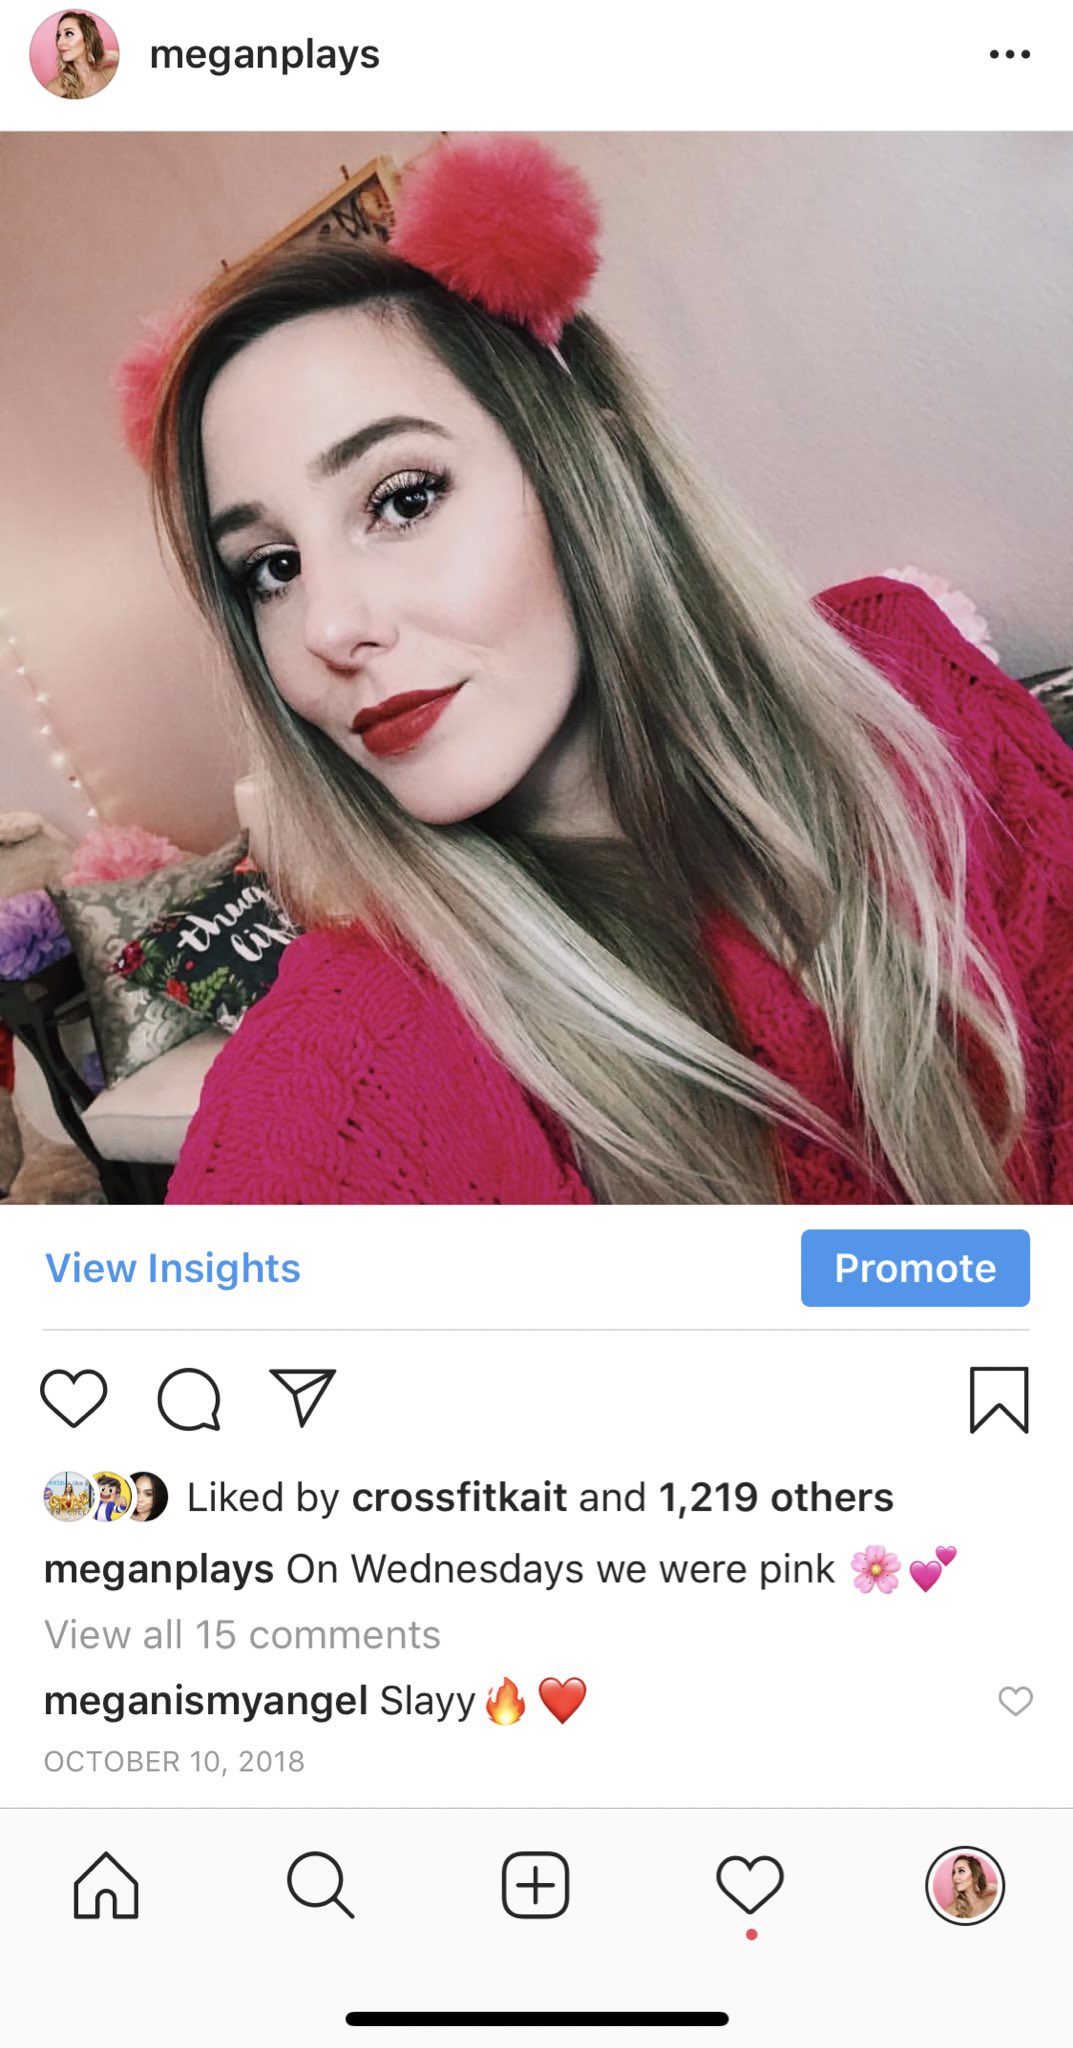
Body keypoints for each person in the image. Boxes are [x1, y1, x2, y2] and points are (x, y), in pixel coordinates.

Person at [148, 137, 1073, 1207]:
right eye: (270, 568)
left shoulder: (909, 697)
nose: (328, 626)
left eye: (402, 499)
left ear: (590, 465)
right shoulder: (355, 1063)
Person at [46, 13, 119, 99]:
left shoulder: (111, 74)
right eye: (59, 35)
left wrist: (110, 55)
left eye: (69, 34)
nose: (59, 42)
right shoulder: (54, 88)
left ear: (87, 40)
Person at [948, 1854, 998, 1919]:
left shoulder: (992, 1901)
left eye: (961, 1871)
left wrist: (990, 1887)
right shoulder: (950, 1912)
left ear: (974, 1876)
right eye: (954, 1872)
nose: (954, 1877)